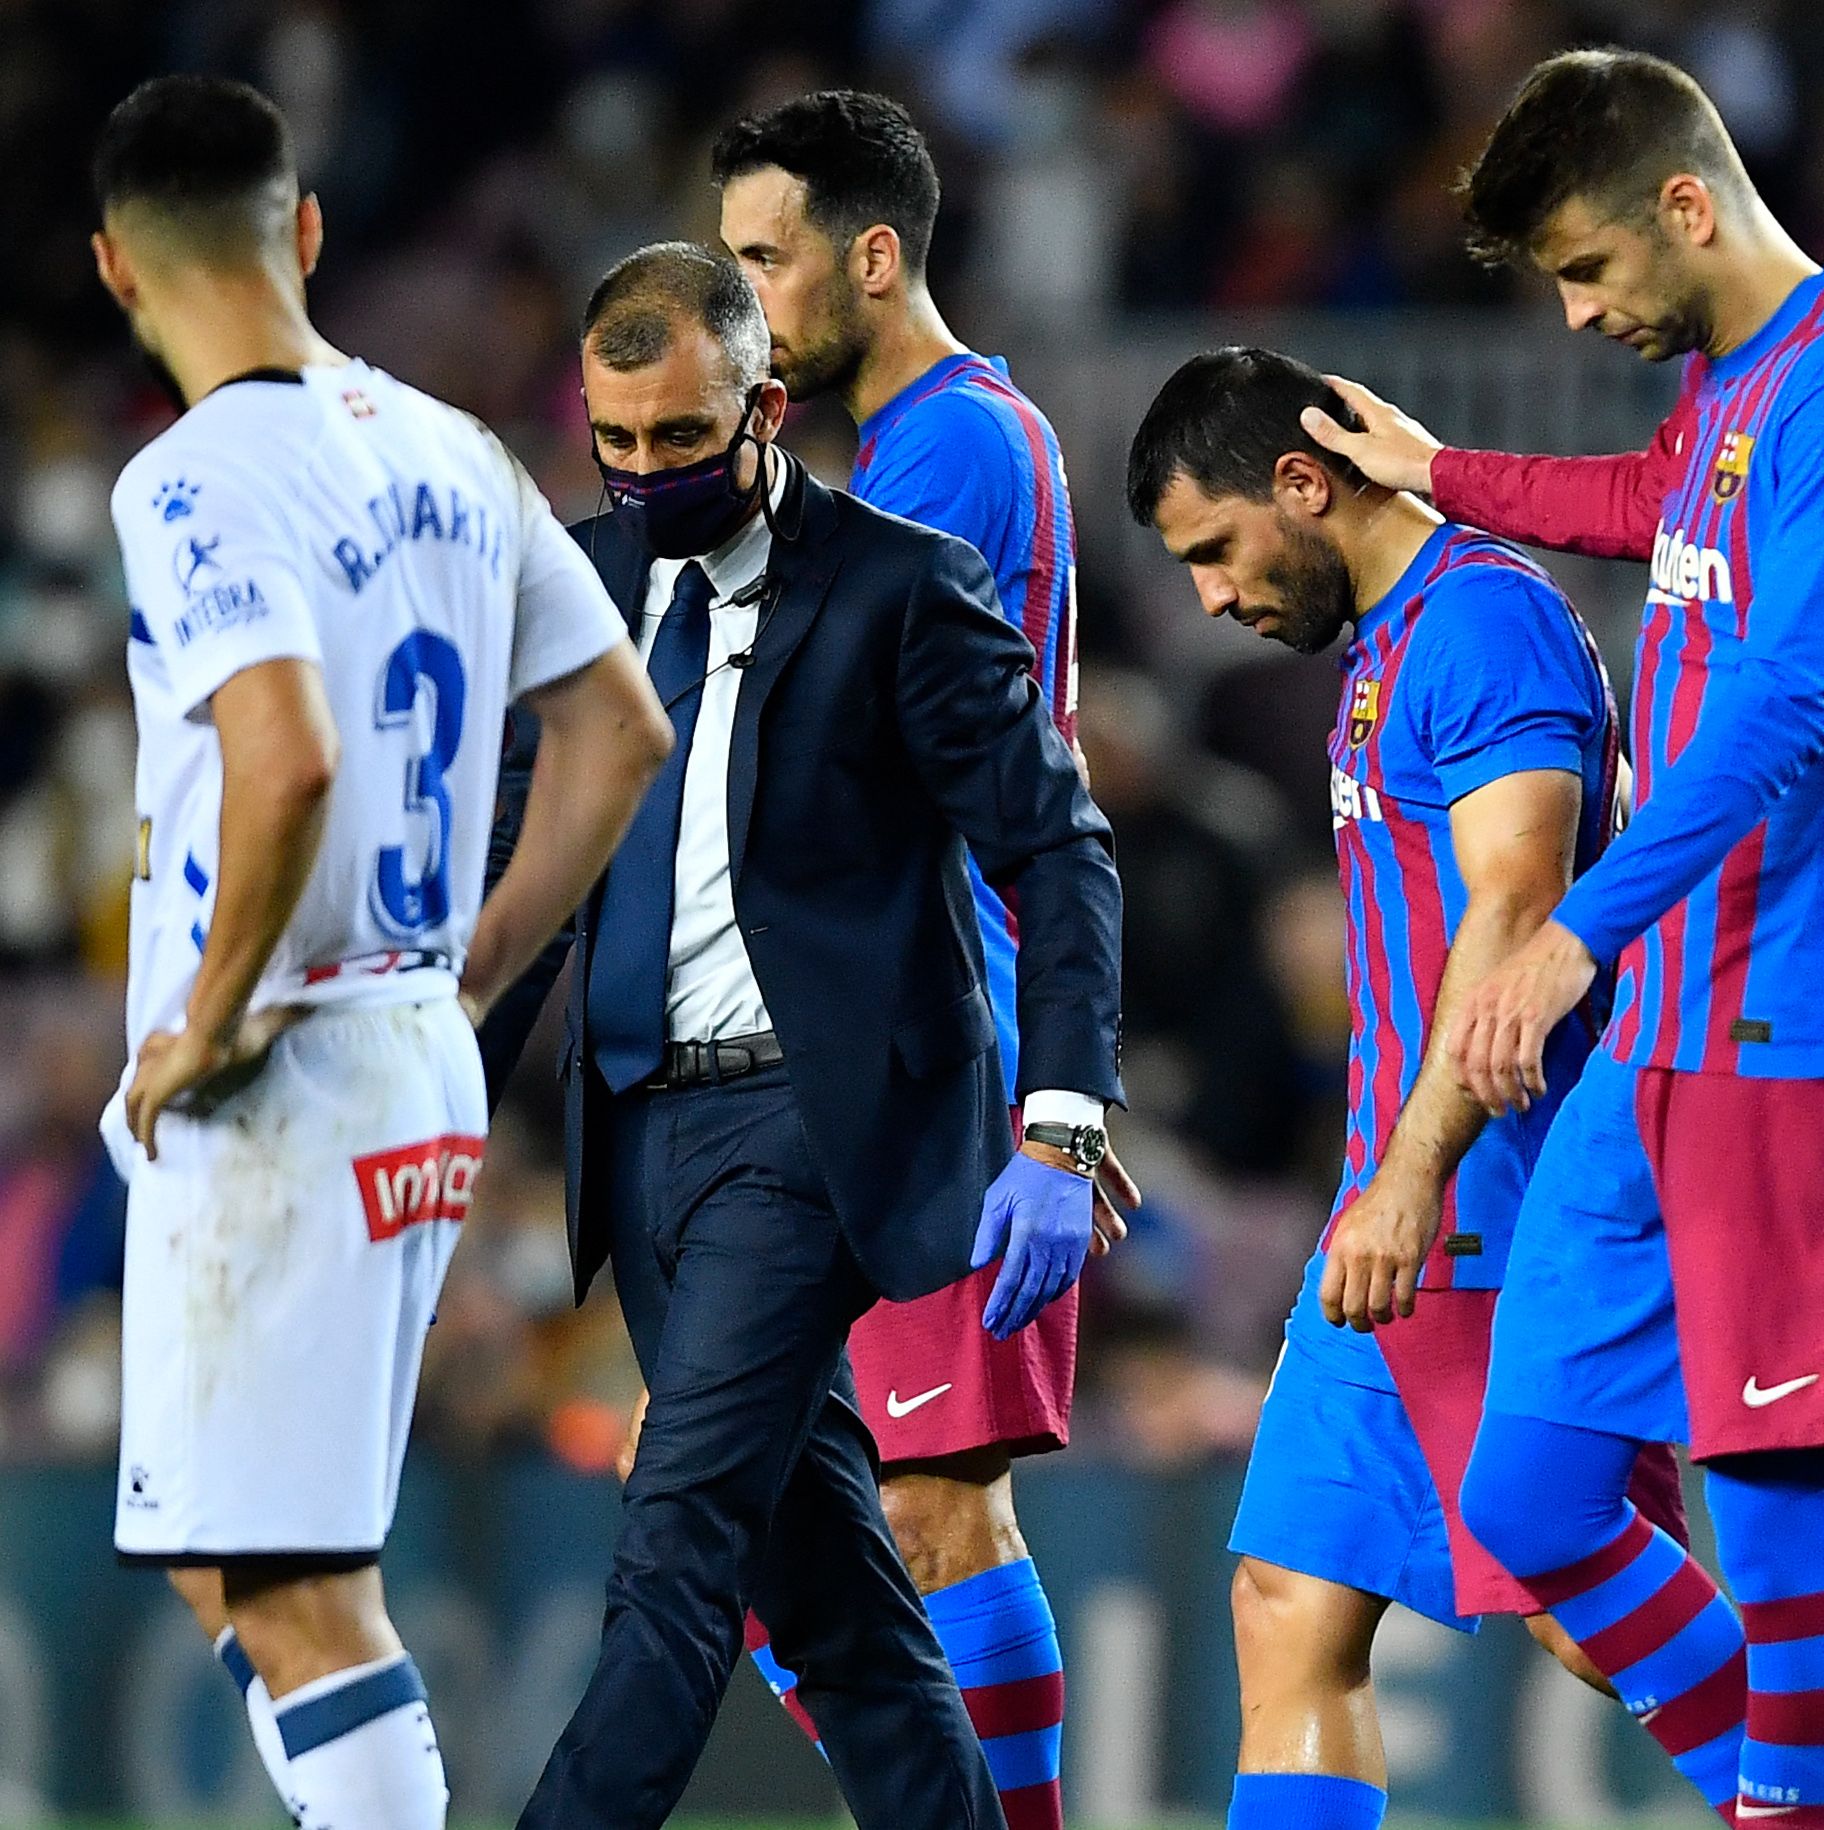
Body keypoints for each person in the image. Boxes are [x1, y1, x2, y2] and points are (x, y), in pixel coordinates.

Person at [1305, 50, 1824, 1826]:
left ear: (1688, 204)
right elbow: (1642, 511)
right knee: (1526, 1502)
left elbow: (1786, 712)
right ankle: (1788, 1795)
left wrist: (1568, 937)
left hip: (1808, 1034)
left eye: (1589, 269)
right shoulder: (1726, 391)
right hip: (1669, 1044)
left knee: (1769, 1521)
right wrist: (1441, 469)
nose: (1583, 307)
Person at [479, 243, 1123, 1829]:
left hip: (806, 1132)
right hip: (634, 1136)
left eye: (679, 441)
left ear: (765, 408)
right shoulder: (574, 588)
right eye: (613, 440)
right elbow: (520, 884)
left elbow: (1057, 845)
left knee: (676, 1541)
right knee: (835, 1602)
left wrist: (1063, 1118)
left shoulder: (900, 583)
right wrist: (434, 1110)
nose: (641, 475)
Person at [90, 75, 665, 1830]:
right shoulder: (454, 448)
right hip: (409, 1037)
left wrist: (200, 1025)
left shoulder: (190, 479)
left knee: (301, 1592)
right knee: (237, 1571)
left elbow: (286, 753)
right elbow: (618, 730)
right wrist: (471, 974)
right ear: (309, 234)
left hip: (285, 1063)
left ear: (116, 270)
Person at [1127, 346, 1690, 1830]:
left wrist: (1410, 1177)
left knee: (1580, 1601)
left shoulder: (1482, 625)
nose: (1206, 597)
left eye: (1213, 549)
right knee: (1288, 1600)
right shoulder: (1392, 643)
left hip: (1492, 1202)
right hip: (1396, 1206)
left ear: (1303, 486)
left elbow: (1515, 906)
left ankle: (1815, 1789)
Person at [705, 92, 1117, 1822]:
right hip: (888, 1044)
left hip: (947, 1044)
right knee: (750, 1515)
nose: (741, 306)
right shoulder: (897, 455)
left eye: (763, 260)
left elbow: (836, 743)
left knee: (938, 1506)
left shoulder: (955, 449)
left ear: (874, 256)